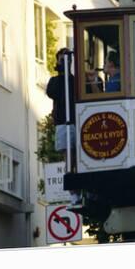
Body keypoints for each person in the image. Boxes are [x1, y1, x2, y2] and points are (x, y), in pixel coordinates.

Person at [46, 48, 80, 204]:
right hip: (62, 123)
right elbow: (52, 92)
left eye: (68, 60)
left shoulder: (75, 80)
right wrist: (60, 69)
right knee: (68, 158)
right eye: (62, 60)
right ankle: (73, 191)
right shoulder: (55, 81)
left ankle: (76, 189)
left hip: (75, 121)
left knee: (75, 158)